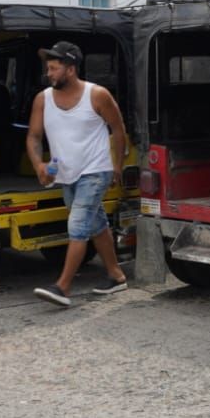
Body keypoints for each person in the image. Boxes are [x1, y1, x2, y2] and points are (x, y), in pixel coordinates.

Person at [28, 41, 129, 306]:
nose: (49, 73)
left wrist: (117, 165)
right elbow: (34, 136)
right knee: (96, 224)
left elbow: (118, 130)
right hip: (67, 173)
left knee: (78, 225)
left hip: (96, 170)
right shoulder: (43, 99)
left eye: (54, 68)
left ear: (70, 69)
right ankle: (116, 275)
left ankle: (63, 287)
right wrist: (39, 164)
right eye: (48, 68)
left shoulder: (97, 95)